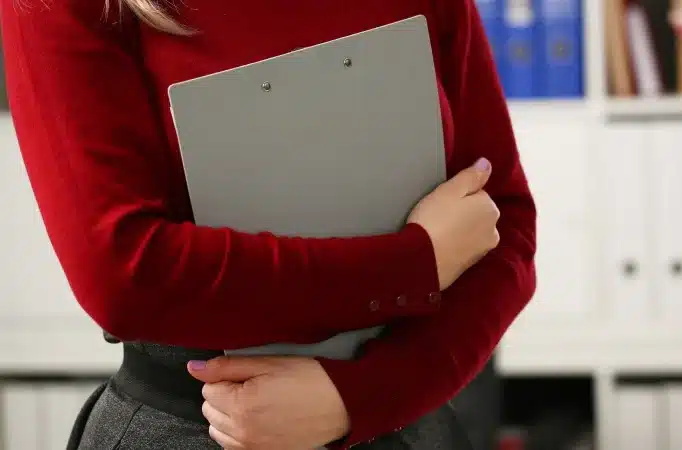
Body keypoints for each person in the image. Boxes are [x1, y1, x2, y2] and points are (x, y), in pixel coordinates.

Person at [0, 0, 537, 448]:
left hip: (405, 420)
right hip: (197, 427)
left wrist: (365, 395)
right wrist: (414, 267)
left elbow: (505, 221)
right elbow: (124, 275)